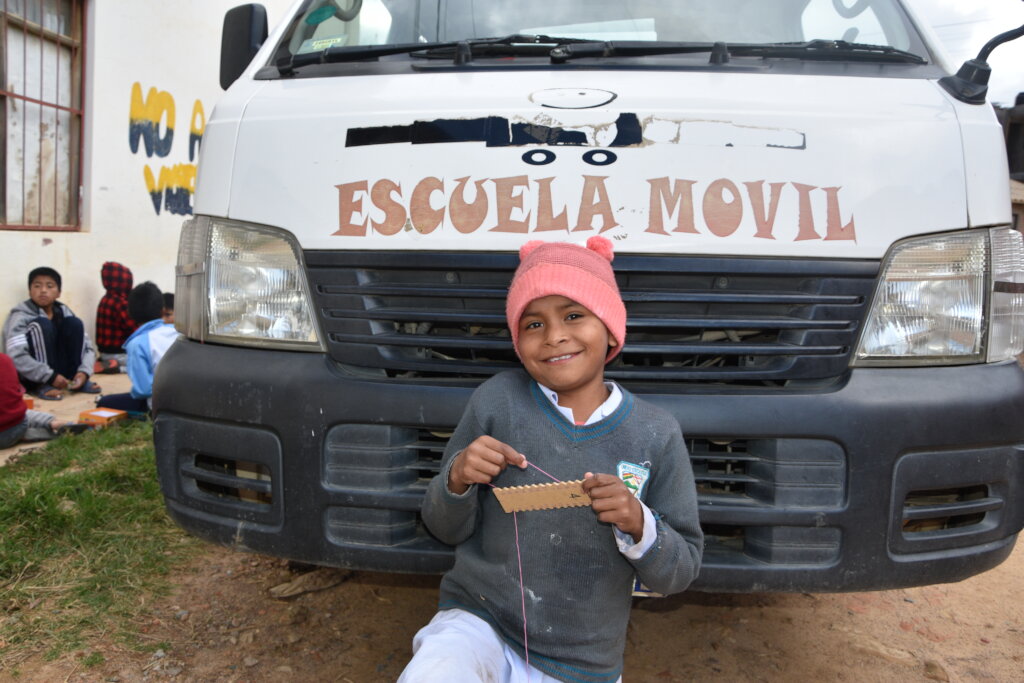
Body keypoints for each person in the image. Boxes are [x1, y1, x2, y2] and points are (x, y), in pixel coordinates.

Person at [400, 237, 703, 683]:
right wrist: (458, 478)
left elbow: (682, 570)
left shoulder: (655, 433)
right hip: (479, 621)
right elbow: (443, 527)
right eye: (534, 324)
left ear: (612, 330)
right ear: (518, 343)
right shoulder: (496, 402)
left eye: (574, 315)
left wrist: (640, 523)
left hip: (583, 663)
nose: (555, 335)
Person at [2, 267, 100, 401]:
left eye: (49, 286)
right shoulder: (20, 316)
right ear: (30, 291)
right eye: (37, 286)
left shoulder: (64, 311)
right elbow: (16, 356)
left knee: (74, 323)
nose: (43, 290)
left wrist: (84, 371)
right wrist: (49, 376)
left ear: (58, 292)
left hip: (60, 373)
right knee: (41, 325)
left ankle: (74, 381)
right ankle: (42, 386)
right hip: (34, 376)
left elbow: (87, 347)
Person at [96, 282, 178, 414]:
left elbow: (143, 390)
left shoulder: (137, 343)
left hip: (159, 408)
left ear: (129, 313)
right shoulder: (178, 333)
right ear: (162, 310)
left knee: (104, 402)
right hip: (187, 401)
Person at [0, 353, 89, 448]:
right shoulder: (5, 359)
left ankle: (28, 434)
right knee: (22, 412)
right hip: (18, 424)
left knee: (16, 415)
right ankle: (53, 422)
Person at [94, 261, 138, 374]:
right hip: (120, 354)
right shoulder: (121, 303)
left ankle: (107, 362)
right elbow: (135, 330)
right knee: (150, 363)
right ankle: (119, 368)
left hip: (104, 353)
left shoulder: (105, 299)